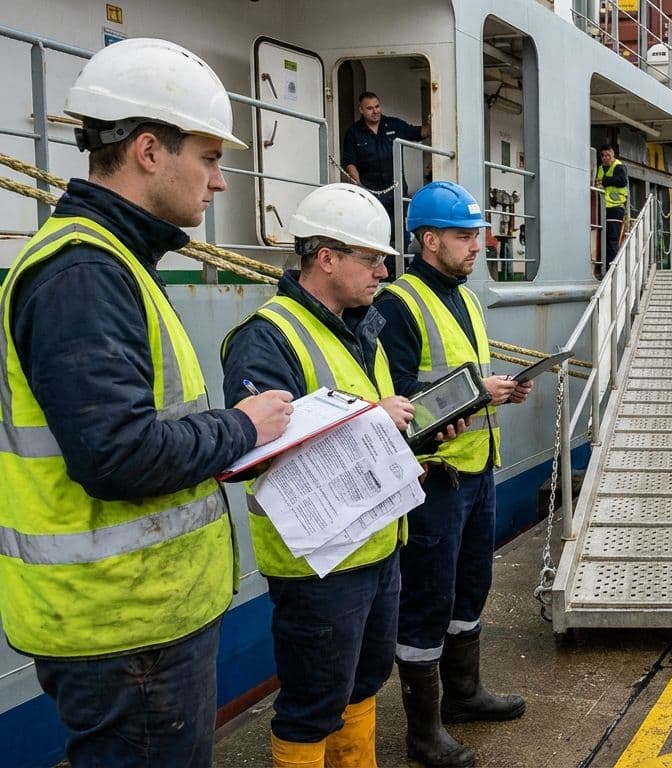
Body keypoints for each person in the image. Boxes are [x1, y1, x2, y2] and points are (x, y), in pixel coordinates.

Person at [0, 38, 294, 768]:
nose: (220, 182)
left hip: (136, 625)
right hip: (123, 633)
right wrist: (241, 427)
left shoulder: (111, 260)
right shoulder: (84, 274)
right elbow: (115, 455)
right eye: (210, 157)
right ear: (150, 150)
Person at [221, 183, 416, 768]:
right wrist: (371, 421)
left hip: (376, 545)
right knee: (313, 701)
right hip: (318, 564)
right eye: (371, 257)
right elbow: (261, 449)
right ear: (326, 258)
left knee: (362, 681)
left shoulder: (361, 328)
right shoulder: (268, 337)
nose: (384, 269)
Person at [374, 181, 531, 767]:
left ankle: (463, 694)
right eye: (465, 237)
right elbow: (392, 403)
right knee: (427, 599)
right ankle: (423, 731)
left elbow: (463, 386)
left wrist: (498, 395)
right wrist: (475, 394)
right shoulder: (399, 304)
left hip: (477, 472)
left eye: (477, 235)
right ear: (429, 239)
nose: (477, 246)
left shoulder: (465, 298)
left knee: (471, 589)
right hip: (432, 481)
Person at [341, 91, 430, 219]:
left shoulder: (393, 124)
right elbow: (350, 162)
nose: (375, 111)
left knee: (401, 231)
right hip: (369, 191)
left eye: (377, 106)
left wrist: (432, 124)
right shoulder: (353, 132)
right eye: (369, 108)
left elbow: (418, 132)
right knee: (374, 229)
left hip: (396, 190)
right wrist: (360, 187)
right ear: (361, 110)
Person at [595, 145, 628, 270]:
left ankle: (612, 269)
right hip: (603, 207)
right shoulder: (601, 168)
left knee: (612, 239)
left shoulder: (619, 166)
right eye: (603, 155)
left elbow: (622, 181)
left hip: (615, 207)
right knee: (603, 238)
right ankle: (604, 267)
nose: (605, 158)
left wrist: (604, 181)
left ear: (613, 155)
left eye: (608, 155)